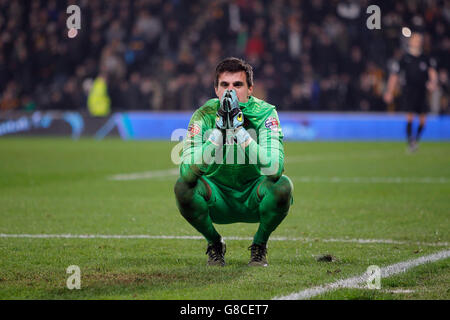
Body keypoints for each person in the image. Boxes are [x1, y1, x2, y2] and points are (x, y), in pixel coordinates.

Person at [174, 57, 293, 267]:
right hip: (216, 197)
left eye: (238, 85)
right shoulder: (203, 114)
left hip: (253, 196)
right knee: (182, 188)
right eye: (224, 85)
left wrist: (240, 132)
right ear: (216, 90)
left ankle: (259, 245)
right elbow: (187, 174)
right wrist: (218, 134)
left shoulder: (265, 113)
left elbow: (275, 169)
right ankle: (214, 243)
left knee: (283, 186)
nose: (230, 91)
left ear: (250, 89)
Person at [384, 30, 438, 152]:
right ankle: (410, 141)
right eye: (415, 39)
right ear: (410, 41)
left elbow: (432, 73)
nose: (418, 42)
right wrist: (389, 91)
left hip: (422, 91)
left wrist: (433, 83)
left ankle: (416, 139)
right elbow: (394, 76)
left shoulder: (426, 57)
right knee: (410, 116)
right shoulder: (404, 58)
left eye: (419, 40)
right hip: (409, 91)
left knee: (423, 120)